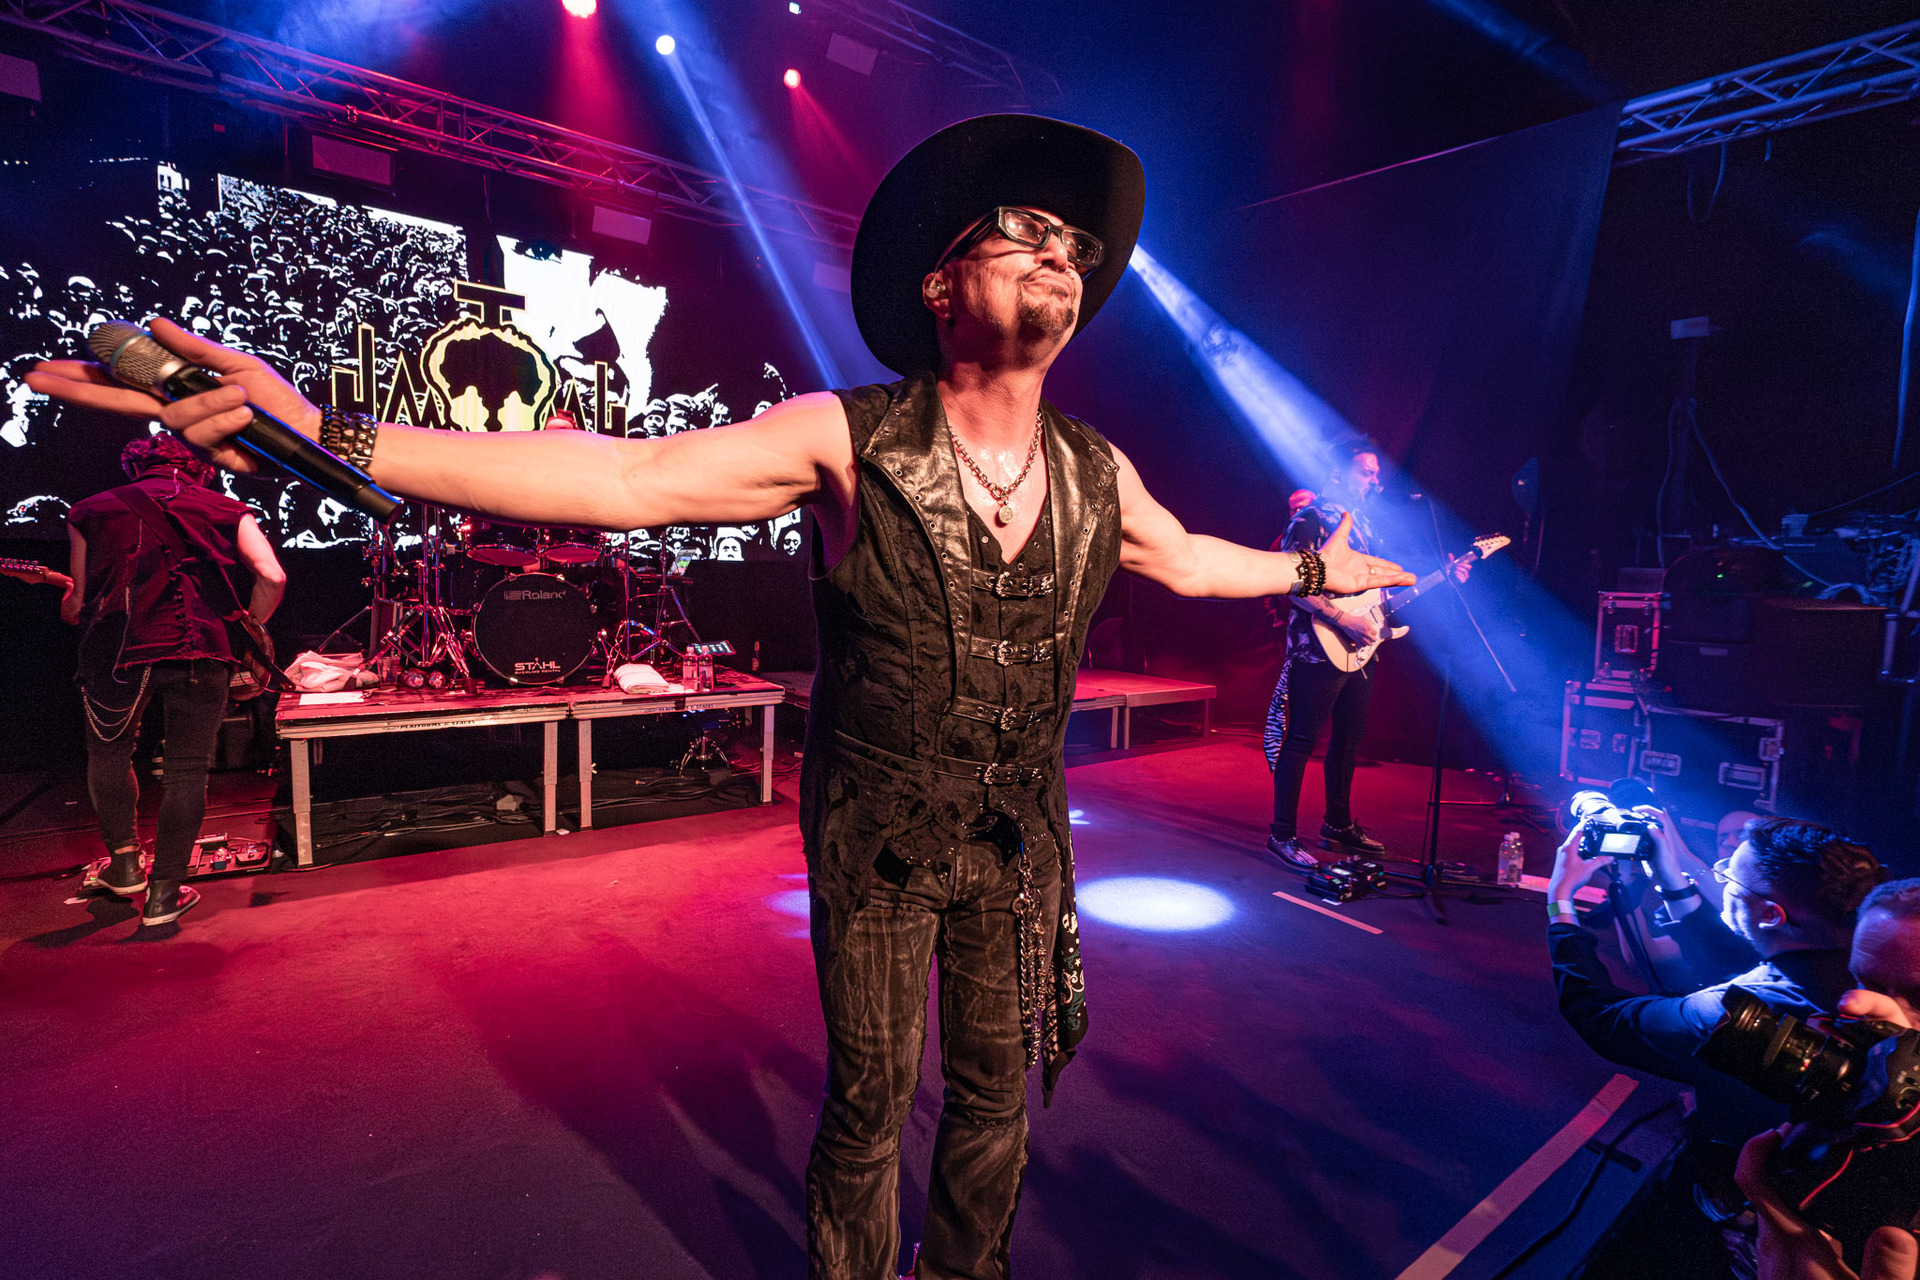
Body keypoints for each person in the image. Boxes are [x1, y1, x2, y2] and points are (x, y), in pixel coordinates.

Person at [27, 114, 1413, 1279]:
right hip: (877, 836)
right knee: (870, 1106)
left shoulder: (1100, 471)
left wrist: (1314, 571)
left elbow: (1192, 559)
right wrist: (329, 425)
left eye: (1076, 245)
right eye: (1022, 227)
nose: (1059, 248)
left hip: (1018, 845)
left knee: (999, 1103)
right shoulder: (844, 436)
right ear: (941, 284)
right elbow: (620, 478)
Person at [62, 433, 286, 928]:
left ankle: (125, 865)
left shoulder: (89, 511)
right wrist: (251, 626)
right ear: (196, 468)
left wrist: (69, 598)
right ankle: (164, 894)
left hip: (116, 654)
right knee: (187, 770)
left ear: (133, 469)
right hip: (198, 650)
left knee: (109, 754)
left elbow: (77, 604)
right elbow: (273, 576)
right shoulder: (226, 508)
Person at [1262, 437, 1466, 867]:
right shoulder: (1309, 518)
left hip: (1360, 647)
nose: (1375, 481)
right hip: (1318, 646)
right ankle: (1282, 835)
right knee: (1301, 739)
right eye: (1366, 472)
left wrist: (1443, 577)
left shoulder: (1365, 525)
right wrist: (1341, 618)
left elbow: (1374, 589)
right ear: (1338, 471)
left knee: (1349, 738)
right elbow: (1292, 582)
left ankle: (1337, 825)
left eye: (1376, 474)